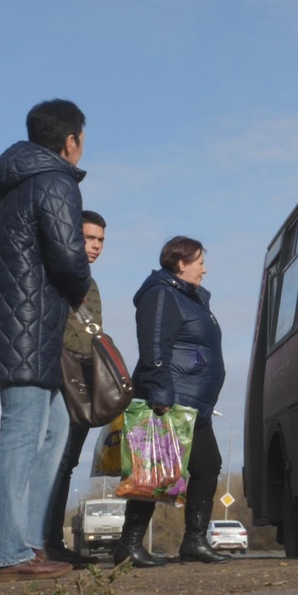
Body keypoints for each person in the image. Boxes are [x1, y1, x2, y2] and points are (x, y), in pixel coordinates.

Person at [0, 99, 93, 580]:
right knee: (21, 433)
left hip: (11, 321)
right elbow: (67, 257)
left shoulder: (0, 193)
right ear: (71, 141)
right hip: (29, 324)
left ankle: (30, 542)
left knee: (55, 428)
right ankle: (4, 552)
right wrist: (74, 289)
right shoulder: (56, 181)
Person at [117, 236, 228, 566]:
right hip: (171, 399)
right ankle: (129, 544)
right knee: (153, 473)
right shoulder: (162, 294)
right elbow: (153, 344)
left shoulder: (190, 298)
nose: (204, 270)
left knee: (207, 465)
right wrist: (159, 389)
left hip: (194, 403)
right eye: (199, 262)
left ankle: (194, 541)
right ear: (181, 263)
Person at [41, 209, 116, 567]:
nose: (96, 246)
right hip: (61, 377)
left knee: (66, 463)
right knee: (53, 462)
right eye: (89, 238)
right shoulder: (56, 273)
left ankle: (50, 541)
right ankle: (42, 542)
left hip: (82, 379)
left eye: (100, 240)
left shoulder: (89, 279)